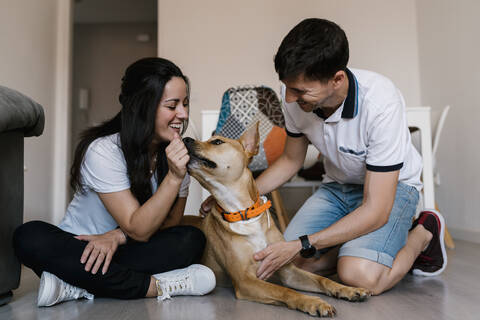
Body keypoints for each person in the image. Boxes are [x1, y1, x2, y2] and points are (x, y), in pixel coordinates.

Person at [202, 18, 447, 295]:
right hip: (337, 189)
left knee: (358, 275)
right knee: (280, 264)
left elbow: (376, 209)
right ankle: (352, 247)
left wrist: (304, 243)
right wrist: (236, 198)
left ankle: (423, 233)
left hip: (391, 191)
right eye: (287, 87)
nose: (290, 99)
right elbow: (290, 161)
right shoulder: (294, 95)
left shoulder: (381, 102)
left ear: (337, 79)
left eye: (300, 91)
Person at [13, 57, 216, 307]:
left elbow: (171, 222)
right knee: (29, 236)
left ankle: (74, 285)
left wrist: (116, 237)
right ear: (143, 106)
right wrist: (174, 177)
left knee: (190, 239)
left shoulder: (174, 153)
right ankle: (154, 286)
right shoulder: (104, 150)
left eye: (185, 104)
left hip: (128, 248)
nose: (183, 114)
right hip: (79, 249)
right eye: (172, 105)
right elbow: (136, 226)